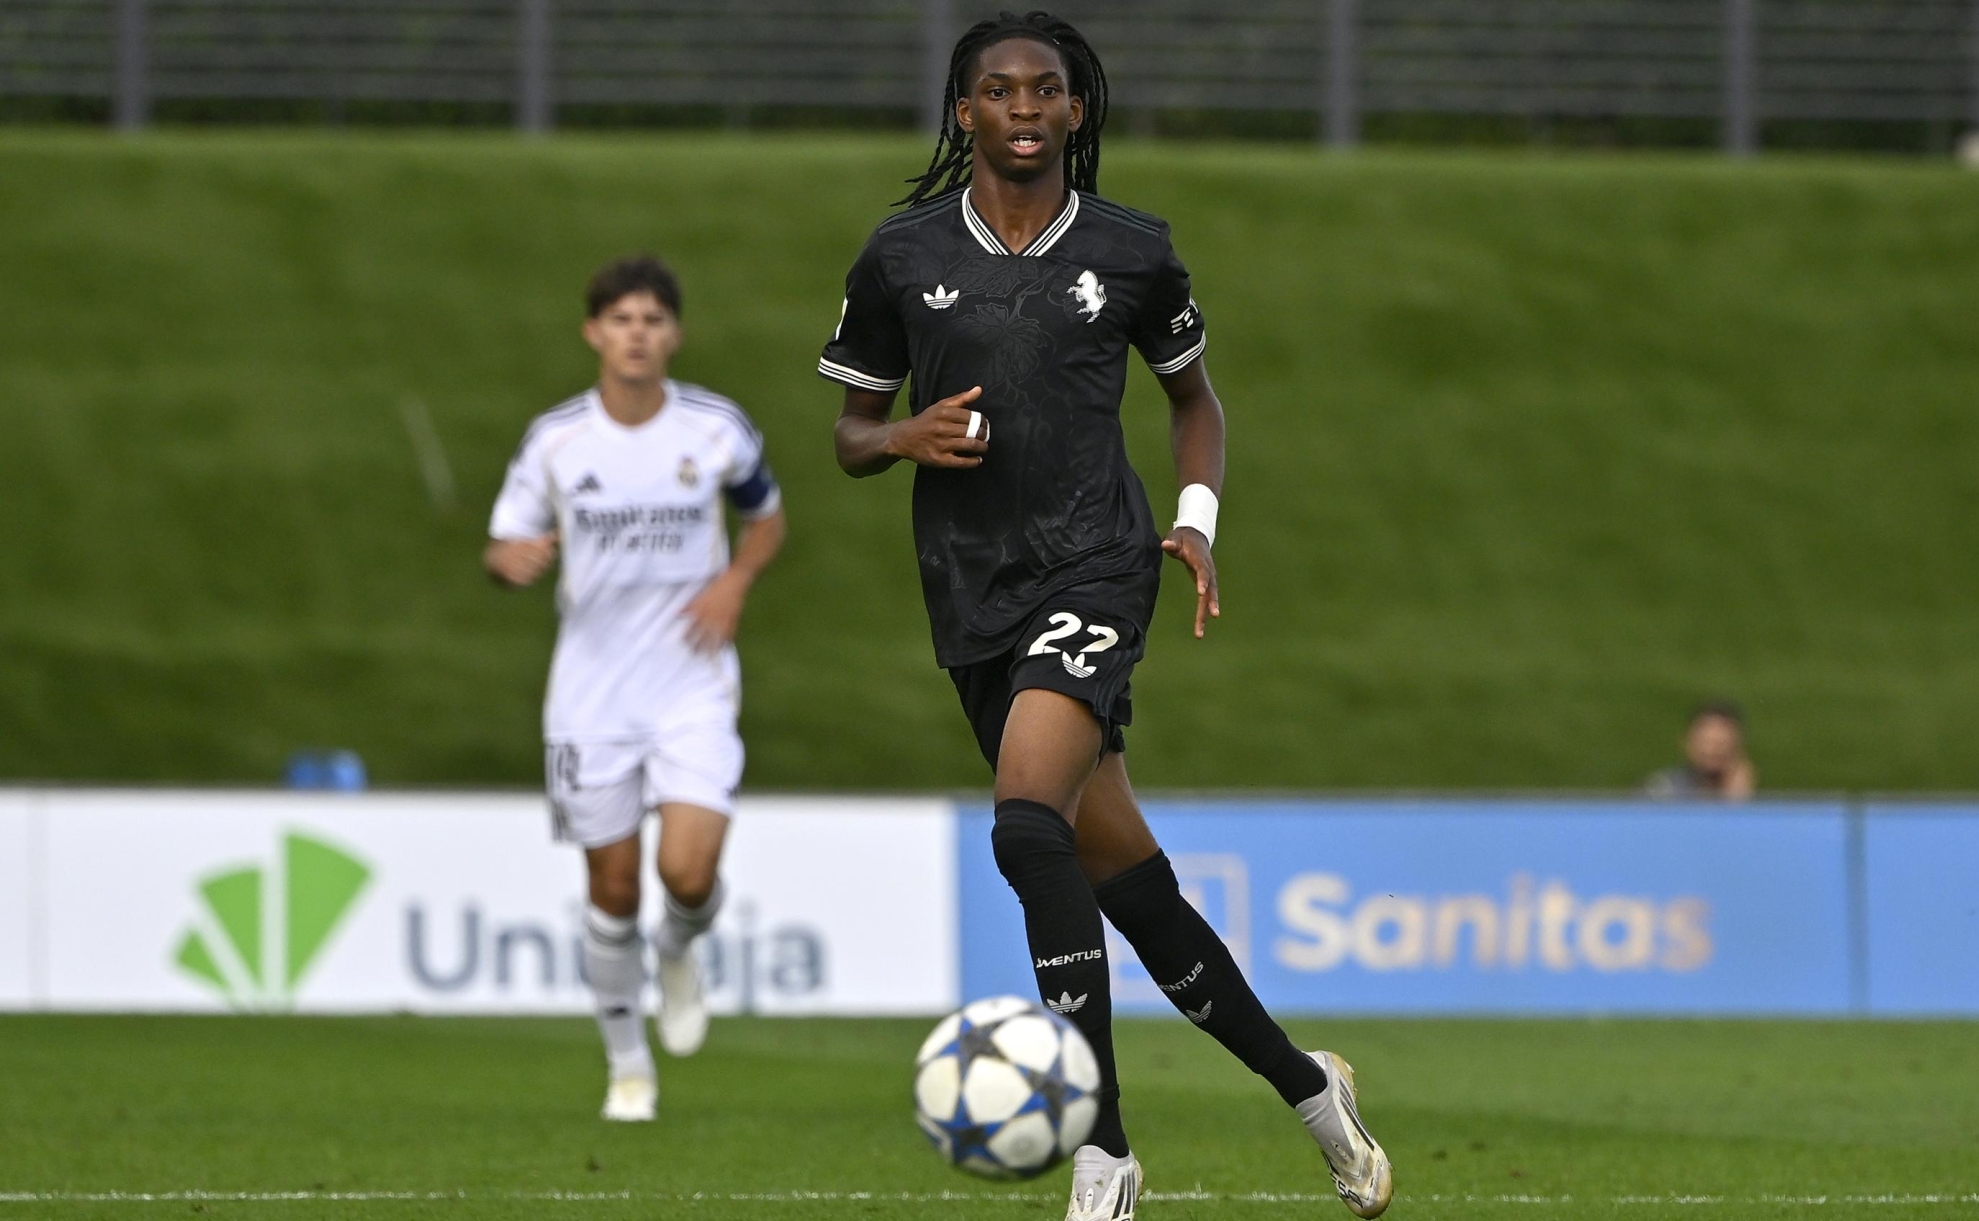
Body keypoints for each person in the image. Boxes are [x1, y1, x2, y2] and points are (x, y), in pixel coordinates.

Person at [819, 13, 1390, 1219]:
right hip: (968, 587)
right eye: (999, 90)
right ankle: (1310, 1090)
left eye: (1048, 89)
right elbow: (850, 432)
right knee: (1122, 877)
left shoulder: (1132, 250)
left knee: (1027, 825)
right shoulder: (902, 253)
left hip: (1096, 565)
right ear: (963, 111)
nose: (1024, 107)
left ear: (1077, 111)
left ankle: (1103, 1147)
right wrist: (902, 434)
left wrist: (1197, 520)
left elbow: (1196, 401)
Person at [486, 256, 786, 1122]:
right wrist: (512, 561)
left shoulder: (715, 428)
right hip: (591, 696)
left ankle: (680, 945)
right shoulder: (556, 441)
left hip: (692, 681)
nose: (637, 335)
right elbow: (503, 543)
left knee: (687, 873)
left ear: (675, 335)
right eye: (621, 320)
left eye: (653, 320)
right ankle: (628, 1067)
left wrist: (733, 582)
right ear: (594, 333)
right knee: (612, 891)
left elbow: (766, 518)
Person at [1645, 700, 1757, 801]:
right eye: (1706, 742)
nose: (1712, 751)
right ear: (1687, 743)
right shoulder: (1662, 792)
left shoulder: (1746, 795)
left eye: (1721, 744)